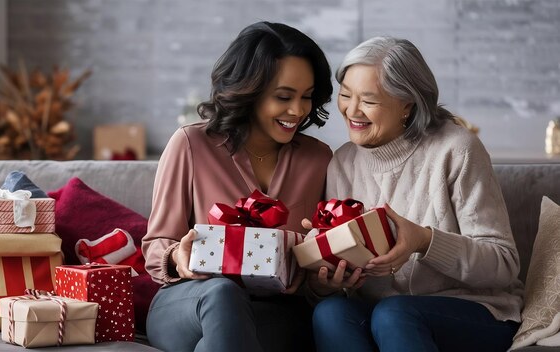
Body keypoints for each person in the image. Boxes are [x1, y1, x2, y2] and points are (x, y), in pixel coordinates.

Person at [309, 36, 524, 352]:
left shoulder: (456, 149)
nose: (351, 110)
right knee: (331, 312)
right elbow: (337, 288)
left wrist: (425, 241)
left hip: (478, 311)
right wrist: (328, 277)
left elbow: (504, 264)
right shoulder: (342, 162)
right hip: (387, 312)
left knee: (394, 313)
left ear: (406, 104)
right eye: (345, 95)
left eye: (368, 100)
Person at [142, 21, 333, 352]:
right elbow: (156, 243)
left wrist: (322, 274)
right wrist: (178, 256)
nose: (298, 110)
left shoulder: (318, 159)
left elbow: (319, 257)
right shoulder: (191, 144)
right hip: (190, 301)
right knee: (222, 294)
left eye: (307, 97)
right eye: (284, 96)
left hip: (274, 312)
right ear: (250, 89)